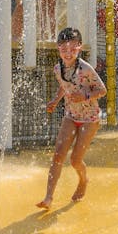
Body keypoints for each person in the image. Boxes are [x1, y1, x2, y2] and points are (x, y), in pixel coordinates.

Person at [36, 27, 107, 209]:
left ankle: (83, 180)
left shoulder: (86, 69)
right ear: (58, 48)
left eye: (72, 49)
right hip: (70, 115)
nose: (68, 53)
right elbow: (64, 86)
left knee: (75, 159)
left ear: (79, 48)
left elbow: (102, 90)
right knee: (58, 155)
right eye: (64, 49)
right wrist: (54, 100)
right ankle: (48, 197)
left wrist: (85, 96)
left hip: (89, 119)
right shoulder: (58, 68)